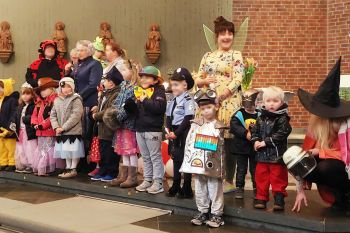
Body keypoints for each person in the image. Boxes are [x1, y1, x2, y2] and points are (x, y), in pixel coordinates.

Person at [291, 57, 350, 215]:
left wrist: (321, 152)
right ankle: (340, 199)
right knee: (301, 162)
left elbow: (347, 157)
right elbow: (302, 160)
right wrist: (300, 191)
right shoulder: (315, 128)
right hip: (332, 182)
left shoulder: (346, 127)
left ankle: (347, 197)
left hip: (345, 172)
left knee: (326, 166)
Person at [195, 16, 244, 193]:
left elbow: (238, 78)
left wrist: (222, 95)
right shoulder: (207, 56)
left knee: (227, 140)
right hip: (208, 102)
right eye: (222, 33)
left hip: (228, 102)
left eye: (230, 33)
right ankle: (208, 173)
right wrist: (203, 81)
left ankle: (227, 179)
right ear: (216, 36)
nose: (226, 37)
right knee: (209, 138)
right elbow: (198, 78)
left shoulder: (236, 55)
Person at [180, 89, 226, 228]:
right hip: (198, 164)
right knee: (200, 187)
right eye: (203, 108)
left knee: (214, 187)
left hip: (212, 165)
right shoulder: (195, 124)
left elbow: (218, 147)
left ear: (216, 106)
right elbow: (189, 142)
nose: (206, 111)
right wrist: (189, 162)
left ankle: (217, 214)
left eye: (209, 107)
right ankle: (202, 211)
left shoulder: (218, 126)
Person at [124, 66, 166, 194]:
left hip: (153, 129)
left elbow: (158, 108)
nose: (143, 79)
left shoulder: (159, 92)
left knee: (155, 156)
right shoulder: (140, 91)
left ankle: (158, 182)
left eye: (147, 77)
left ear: (155, 80)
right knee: (145, 156)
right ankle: (147, 180)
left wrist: (144, 99)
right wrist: (130, 107)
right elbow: (137, 112)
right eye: (141, 76)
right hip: (140, 128)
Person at [251, 86, 292, 210]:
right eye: (268, 101)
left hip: (277, 156)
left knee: (277, 178)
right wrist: (255, 141)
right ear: (264, 102)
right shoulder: (260, 118)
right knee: (261, 177)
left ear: (281, 102)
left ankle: (279, 199)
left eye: (275, 101)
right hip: (262, 156)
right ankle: (261, 198)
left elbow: (281, 134)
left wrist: (265, 142)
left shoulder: (282, 118)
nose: (271, 104)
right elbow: (254, 131)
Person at [165, 67, 195, 198]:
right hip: (174, 132)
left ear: (185, 85)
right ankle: (176, 185)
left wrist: (176, 133)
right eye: (172, 85)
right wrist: (168, 130)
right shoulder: (172, 100)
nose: (174, 88)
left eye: (176, 85)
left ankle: (187, 187)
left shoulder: (188, 100)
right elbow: (168, 116)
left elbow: (188, 118)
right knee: (176, 158)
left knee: (185, 159)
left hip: (183, 131)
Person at [73, 40, 103, 172]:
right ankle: (80, 161)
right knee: (79, 132)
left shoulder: (94, 64)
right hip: (77, 101)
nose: (78, 52)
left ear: (89, 51)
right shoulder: (78, 64)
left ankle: (89, 163)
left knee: (87, 132)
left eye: (81, 50)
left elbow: (93, 84)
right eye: (77, 50)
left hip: (88, 101)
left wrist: (78, 96)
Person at [109, 61, 139, 188]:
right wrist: (114, 114)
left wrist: (119, 116)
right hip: (120, 124)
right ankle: (123, 176)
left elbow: (129, 106)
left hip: (129, 124)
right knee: (123, 151)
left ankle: (132, 177)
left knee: (130, 151)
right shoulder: (123, 86)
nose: (122, 73)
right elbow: (117, 102)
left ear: (132, 72)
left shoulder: (135, 88)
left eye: (124, 70)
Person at [90, 67, 122, 182]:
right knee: (103, 149)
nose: (104, 82)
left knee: (110, 150)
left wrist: (96, 115)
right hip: (101, 127)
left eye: (107, 80)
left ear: (112, 83)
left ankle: (112, 172)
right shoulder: (105, 93)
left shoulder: (117, 94)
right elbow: (101, 106)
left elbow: (110, 110)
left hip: (109, 126)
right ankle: (103, 170)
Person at [50, 77, 84, 179]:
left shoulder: (76, 99)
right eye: (63, 87)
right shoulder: (57, 100)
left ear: (72, 87)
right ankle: (68, 167)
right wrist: (56, 127)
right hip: (61, 131)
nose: (65, 89)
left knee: (73, 150)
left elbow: (76, 115)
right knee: (66, 151)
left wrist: (64, 127)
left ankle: (73, 168)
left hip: (72, 131)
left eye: (68, 87)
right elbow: (53, 115)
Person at [31, 78, 65, 176]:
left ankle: (50, 169)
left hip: (50, 131)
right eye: (41, 90)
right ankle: (43, 168)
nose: (42, 92)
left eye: (44, 89)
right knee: (42, 149)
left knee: (49, 149)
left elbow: (53, 116)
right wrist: (34, 123)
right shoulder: (40, 102)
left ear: (51, 88)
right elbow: (34, 115)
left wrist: (42, 125)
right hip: (40, 131)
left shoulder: (56, 100)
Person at [230, 89, 260, 199]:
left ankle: (257, 188)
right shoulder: (239, 114)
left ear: (256, 102)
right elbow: (234, 126)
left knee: (255, 169)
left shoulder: (260, 114)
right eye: (247, 105)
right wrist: (244, 132)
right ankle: (239, 187)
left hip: (254, 147)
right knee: (241, 169)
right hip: (241, 147)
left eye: (251, 104)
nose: (249, 107)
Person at [13, 82, 37, 173]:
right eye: (23, 94)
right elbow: (15, 117)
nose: (25, 96)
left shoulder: (33, 106)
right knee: (21, 149)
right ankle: (23, 164)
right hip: (21, 131)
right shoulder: (20, 106)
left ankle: (30, 165)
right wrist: (13, 123)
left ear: (32, 94)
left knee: (30, 149)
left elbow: (33, 117)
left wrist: (25, 118)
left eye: (28, 94)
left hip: (29, 132)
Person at [0, 78, 19, 171]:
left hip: (8, 128)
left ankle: (12, 163)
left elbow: (14, 113)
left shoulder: (12, 100)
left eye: (1, 87)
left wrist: (10, 127)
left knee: (10, 147)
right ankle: (3, 162)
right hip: (0, 129)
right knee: (2, 147)